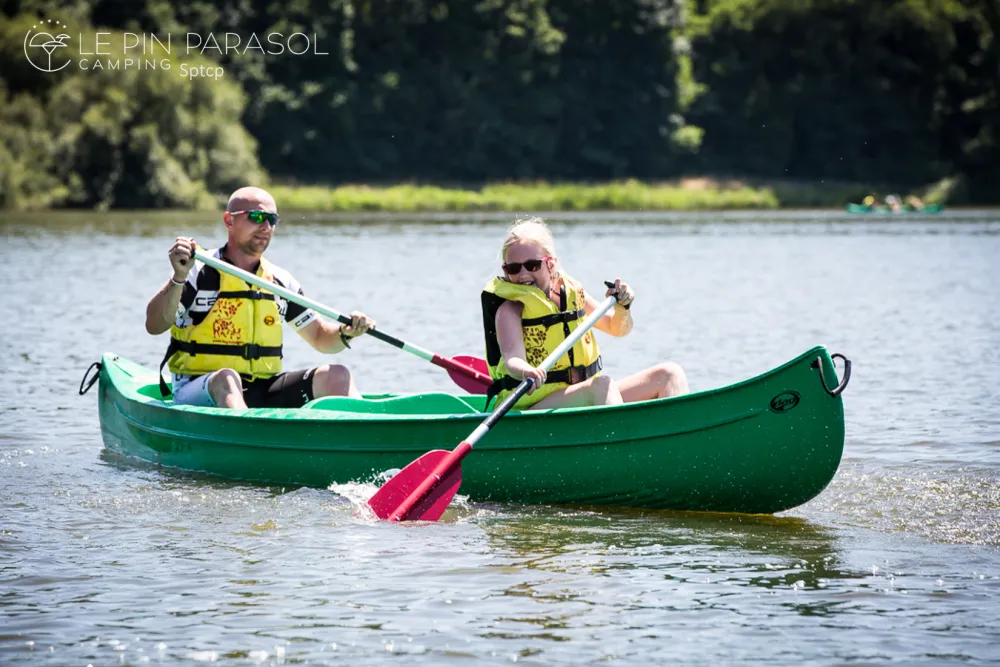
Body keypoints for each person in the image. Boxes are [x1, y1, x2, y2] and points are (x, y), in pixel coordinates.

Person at [145, 186, 376, 409]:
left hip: (262, 389)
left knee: (337, 375)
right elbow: (154, 325)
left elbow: (319, 337)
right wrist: (178, 277)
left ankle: (371, 435)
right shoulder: (197, 271)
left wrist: (346, 332)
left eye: (272, 220)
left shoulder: (280, 282)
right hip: (199, 388)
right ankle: (247, 439)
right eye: (256, 217)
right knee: (227, 378)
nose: (265, 226)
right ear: (229, 221)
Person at [480, 217, 689, 410]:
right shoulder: (509, 310)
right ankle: (627, 446)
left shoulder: (570, 294)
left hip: (579, 395)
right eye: (514, 269)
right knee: (601, 386)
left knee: (670, 374)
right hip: (533, 405)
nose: (523, 274)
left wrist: (621, 308)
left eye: (532, 265)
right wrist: (527, 371)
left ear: (550, 263)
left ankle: (678, 439)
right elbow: (513, 359)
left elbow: (616, 328)